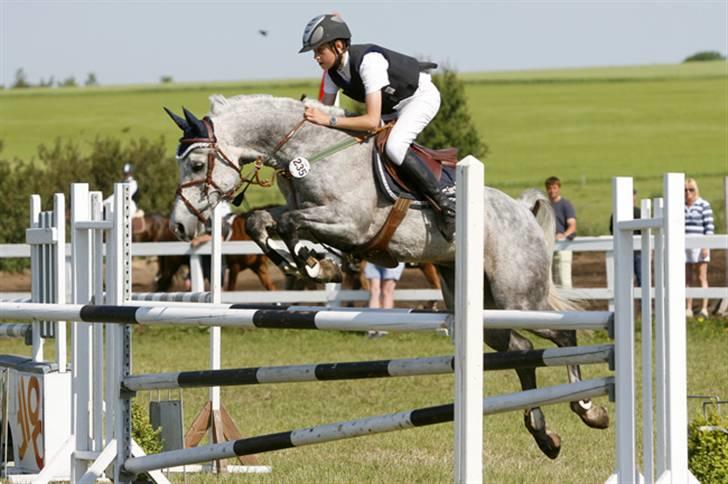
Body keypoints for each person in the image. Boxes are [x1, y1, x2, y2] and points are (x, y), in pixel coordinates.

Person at [298, 14, 455, 241]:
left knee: (394, 146)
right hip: (392, 106)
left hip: (420, 98)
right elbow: (325, 112)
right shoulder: (331, 73)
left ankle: (446, 205)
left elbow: (369, 121)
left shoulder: (369, 62)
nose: (315, 57)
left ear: (339, 45)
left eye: (319, 50)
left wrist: (327, 120)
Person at [184, 202, 232, 291]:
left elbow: (220, 237)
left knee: (217, 288)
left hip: (215, 260)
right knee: (188, 284)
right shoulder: (196, 220)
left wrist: (199, 240)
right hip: (199, 258)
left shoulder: (216, 219)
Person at [684, 178, 714, 319]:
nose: (688, 192)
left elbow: (709, 227)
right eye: (685, 189)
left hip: (700, 245)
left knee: (701, 276)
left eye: (691, 189)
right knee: (687, 278)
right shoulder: (680, 206)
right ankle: (688, 308)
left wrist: (706, 245)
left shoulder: (704, 205)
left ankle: (703, 308)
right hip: (684, 246)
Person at [545, 176, 576, 288]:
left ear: (559, 188)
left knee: (564, 279)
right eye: (549, 188)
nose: (552, 191)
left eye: (554, 188)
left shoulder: (565, 204)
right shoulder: (545, 205)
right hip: (549, 246)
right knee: (551, 281)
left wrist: (563, 235)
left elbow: (572, 225)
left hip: (563, 246)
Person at [363, 260, 405, 338]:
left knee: (386, 292)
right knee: (375, 291)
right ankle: (373, 327)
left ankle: (384, 327)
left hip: (392, 260)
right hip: (374, 260)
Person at [609, 189, 642, 286]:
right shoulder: (638, 212)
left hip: (634, 252)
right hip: (633, 251)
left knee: (632, 278)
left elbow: (612, 231)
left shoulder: (617, 214)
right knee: (639, 279)